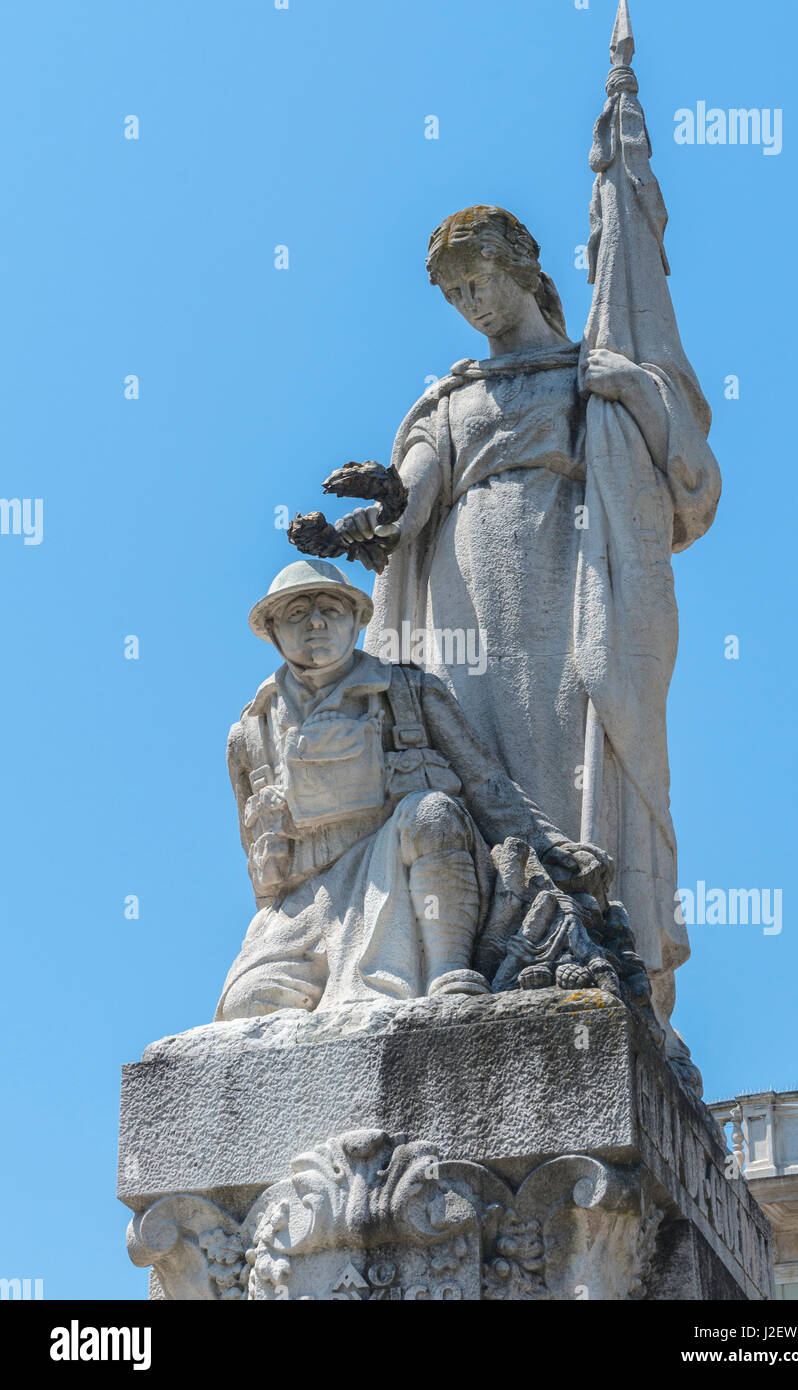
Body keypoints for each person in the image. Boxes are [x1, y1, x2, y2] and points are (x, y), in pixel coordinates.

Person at [333, 205, 721, 1067]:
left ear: (522, 268)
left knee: (569, 758)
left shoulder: (593, 374)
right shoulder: (451, 397)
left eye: (478, 279)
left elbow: (689, 486)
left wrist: (633, 390)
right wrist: (378, 515)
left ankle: (583, 937)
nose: (469, 300)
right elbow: (415, 493)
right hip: (463, 597)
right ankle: (475, 951)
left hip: (568, 586)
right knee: (476, 765)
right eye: (453, 290)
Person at [216, 557, 601, 1021]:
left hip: (405, 867)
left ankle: (449, 973)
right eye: (296, 613)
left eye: (330, 609)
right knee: (246, 1006)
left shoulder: (411, 692)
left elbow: (485, 782)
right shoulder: (251, 733)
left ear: (358, 620)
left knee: (432, 813)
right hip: (306, 904)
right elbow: (260, 864)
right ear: (273, 630)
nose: (315, 622)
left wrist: (551, 845)